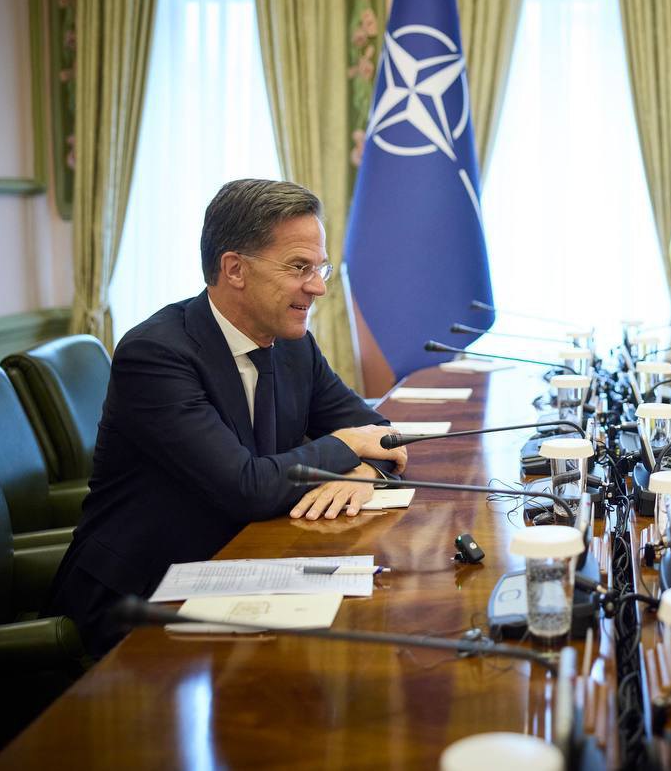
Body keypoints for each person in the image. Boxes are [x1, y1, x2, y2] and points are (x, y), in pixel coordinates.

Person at [46, 179, 406, 656]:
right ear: (234, 269)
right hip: (141, 600)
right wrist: (345, 447)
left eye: (320, 267)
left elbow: (383, 437)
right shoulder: (155, 354)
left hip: (246, 568)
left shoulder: (295, 345)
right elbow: (246, 487)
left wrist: (362, 471)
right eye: (300, 267)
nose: (318, 287)